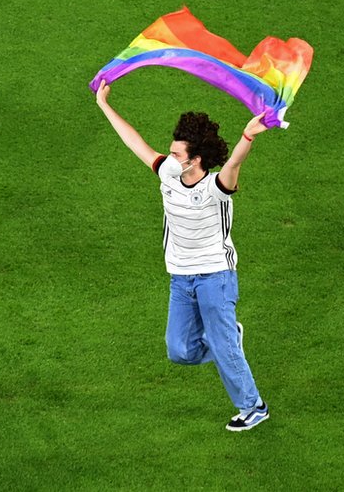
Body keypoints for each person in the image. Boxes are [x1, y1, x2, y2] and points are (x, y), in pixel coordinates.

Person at [95, 79, 270, 432]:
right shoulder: (169, 173)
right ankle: (227, 341)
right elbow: (134, 142)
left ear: (197, 160)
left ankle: (253, 406)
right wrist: (104, 105)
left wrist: (248, 135)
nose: (170, 158)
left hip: (215, 277)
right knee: (180, 351)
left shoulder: (216, 188)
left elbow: (235, 163)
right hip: (180, 277)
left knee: (221, 346)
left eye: (177, 154)